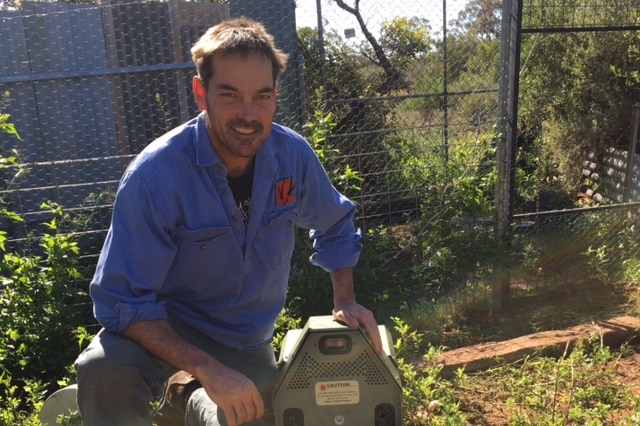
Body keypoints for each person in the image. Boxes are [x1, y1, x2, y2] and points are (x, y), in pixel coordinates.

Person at [74, 17, 382, 426]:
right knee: (102, 369)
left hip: (245, 340)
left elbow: (335, 222)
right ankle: (191, 388)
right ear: (201, 93)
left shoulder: (292, 157)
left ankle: (189, 401)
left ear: (275, 97)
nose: (248, 114)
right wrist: (209, 368)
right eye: (230, 95)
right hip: (168, 330)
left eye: (262, 96)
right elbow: (122, 302)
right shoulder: (156, 177)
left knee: (257, 416)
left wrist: (344, 298)